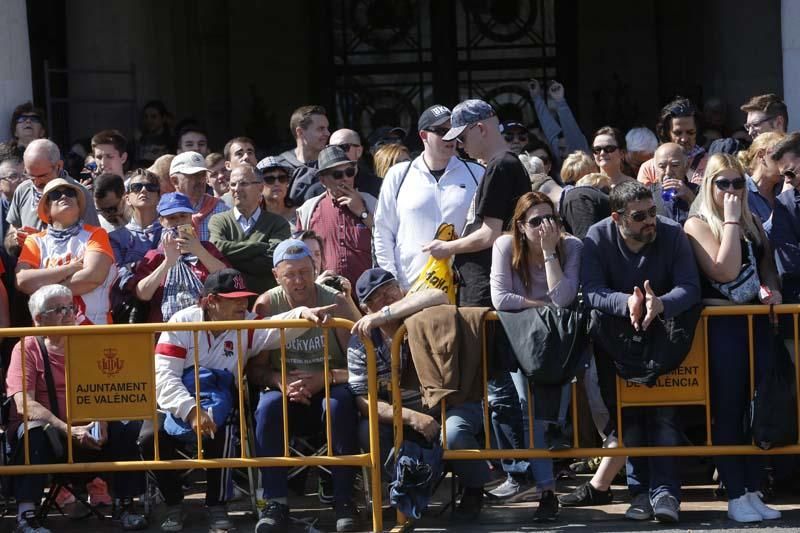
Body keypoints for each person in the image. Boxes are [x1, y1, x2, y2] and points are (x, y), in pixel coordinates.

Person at [140, 268, 333, 532]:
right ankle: (173, 504)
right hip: (176, 401)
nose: (243, 303)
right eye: (234, 298)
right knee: (149, 437)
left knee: (226, 425)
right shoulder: (180, 323)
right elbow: (164, 378)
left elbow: (276, 327)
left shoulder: (246, 324)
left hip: (221, 400)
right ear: (211, 301)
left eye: (245, 297)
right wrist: (192, 410)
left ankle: (217, 505)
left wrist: (303, 315)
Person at [581, 180, 701, 524]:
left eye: (653, 212)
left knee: (663, 415)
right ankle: (639, 493)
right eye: (639, 216)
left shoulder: (671, 233)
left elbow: (690, 287)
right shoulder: (597, 236)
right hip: (615, 339)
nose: (650, 221)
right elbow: (590, 290)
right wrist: (626, 302)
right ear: (618, 217)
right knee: (627, 418)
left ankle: (666, 492)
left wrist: (660, 302)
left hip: (664, 336)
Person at [683, 153, 782, 523]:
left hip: (755, 323)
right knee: (727, 409)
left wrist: (772, 290)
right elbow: (723, 271)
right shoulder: (697, 223)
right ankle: (735, 493)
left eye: (738, 183)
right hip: (720, 326)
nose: (731, 190)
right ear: (708, 186)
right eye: (722, 183)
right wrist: (728, 219)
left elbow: (768, 265)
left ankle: (754, 489)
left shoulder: (751, 220)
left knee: (755, 409)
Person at [347, 268, 491, 520]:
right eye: (376, 298)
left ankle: (474, 488)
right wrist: (413, 418)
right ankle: (402, 489)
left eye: (389, 289)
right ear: (365, 308)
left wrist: (386, 313)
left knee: (455, 433)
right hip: (404, 413)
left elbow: (438, 295)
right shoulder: (362, 341)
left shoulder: (416, 309)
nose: (386, 298)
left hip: (451, 401)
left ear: (401, 288)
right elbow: (364, 399)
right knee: (365, 429)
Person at [6, 284, 148, 533]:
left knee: (127, 426)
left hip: (90, 428)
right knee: (32, 433)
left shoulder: (89, 342)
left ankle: (124, 506)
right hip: (51, 434)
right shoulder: (27, 347)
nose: (70, 313)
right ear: (39, 319)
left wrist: (102, 421)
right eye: (60, 309)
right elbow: (24, 404)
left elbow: (109, 391)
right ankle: (26, 515)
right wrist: (68, 430)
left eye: (71, 307)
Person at [250, 239, 361, 533]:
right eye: (290, 274)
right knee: (267, 407)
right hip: (285, 388)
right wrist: (280, 381)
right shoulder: (266, 303)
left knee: (338, 405)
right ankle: (275, 502)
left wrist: (326, 378)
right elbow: (256, 370)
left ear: (316, 268)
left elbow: (362, 367)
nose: (299, 281)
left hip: (330, 383)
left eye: (304, 272)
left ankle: (344, 499)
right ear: (276, 276)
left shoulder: (336, 300)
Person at [489, 192, 583, 521]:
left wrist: (548, 254)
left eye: (551, 219)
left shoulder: (571, 247)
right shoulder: (504, 246)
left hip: (561, 342)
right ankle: (546, 490)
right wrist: (539, 307)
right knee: (530, 412)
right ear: (519, 226)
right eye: (535, 221)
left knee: (549, 418)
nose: (545, 227)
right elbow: (500, 298)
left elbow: (564, 297)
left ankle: (553, 475)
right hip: (521, 339)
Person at [374, 104, 483, 289]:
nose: (450, 137)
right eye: (442, 131)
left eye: (454, 131)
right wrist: (391, 281)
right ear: (423, 135)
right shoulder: (398, 174)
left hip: (464, 286)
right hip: (410, 286)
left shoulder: (477, 172)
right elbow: (382, 232)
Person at [16, 177, 116, 325]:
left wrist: (42, 291)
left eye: (70, 193)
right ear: (47, 209)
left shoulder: (96, 234)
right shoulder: (35, 240)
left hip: (93, 328)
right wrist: (70, 268)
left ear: (78, 204)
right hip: (49, 333)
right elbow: (23, 281)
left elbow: (92, 276)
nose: (64, 196)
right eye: (55, 195)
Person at [133, 192, 227, 323]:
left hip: (205, 329)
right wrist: (167, 262)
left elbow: (227, 280)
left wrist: (199, 251)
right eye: (171, 218)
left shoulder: (208, 249)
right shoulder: (154, 256)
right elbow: (142, 294)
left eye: (183, 216)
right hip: (166, 331)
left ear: (191, 218)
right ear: (161, 221)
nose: (178, 222)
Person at [295, 145, 377, 289]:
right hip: (327, 294)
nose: (345, 179)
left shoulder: (371, 203)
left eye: (349, 172)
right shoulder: (309, 210)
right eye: (337, 175)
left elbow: (388, 240)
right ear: (323, 180)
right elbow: (299, 255)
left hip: (370, 293)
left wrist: (362, 212)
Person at [6, 139, 101, 256]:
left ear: (59, 166)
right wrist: (15, 239)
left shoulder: (78, 194)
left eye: (42, 176)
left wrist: (40, 240)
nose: (36, 182)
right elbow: (10, 238)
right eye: (30, 176)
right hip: (31, 270)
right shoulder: (23, 190)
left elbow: (95, 245)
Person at [208, 164, 290, 295]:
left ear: (260, 188)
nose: (236, 189)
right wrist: (259, 247)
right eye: (233, 184)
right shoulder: (218, 220)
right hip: (229, 302)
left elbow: (273, 260)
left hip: (265, 302)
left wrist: (231, 262)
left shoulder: (278, 223)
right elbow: (217, 250)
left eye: (243, 184)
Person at [638, 97, 708, 185]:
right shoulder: (648, 168)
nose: (684, 139)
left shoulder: (711, 165)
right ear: (666, 133)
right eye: (678, 133)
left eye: (690, 132)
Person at [528, 79, 589, 174]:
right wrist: (536, 98)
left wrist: (560, 102)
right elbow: (550, 130)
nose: (562, 154)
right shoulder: (556, 162)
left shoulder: (580, 150)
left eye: (564, 148)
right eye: (560, 149)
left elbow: (571, 130)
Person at [169, 151, 229, 241]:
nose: (200, 180)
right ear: (175, 181)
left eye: (202, 175)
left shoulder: (222, 210)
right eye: (193, 175)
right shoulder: (163, 212)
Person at [770, 132, 800, 302]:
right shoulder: (784, 205)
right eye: (784, 176)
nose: (788, 181)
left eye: (791, 172)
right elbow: (789, 264)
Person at [737, 131, 787, 232]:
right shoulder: (740, 191)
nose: (786, 164)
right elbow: (754, 237)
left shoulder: (784, 187)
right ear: (761, 155)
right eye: (780, 157)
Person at [650, 143, 698, 225]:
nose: (668, 172)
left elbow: (712, 220)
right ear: (654, 168)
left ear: (686, 166)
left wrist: (690, 198)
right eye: (662, 166)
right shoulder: (647, 194)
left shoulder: (700, 192)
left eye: (675, 165)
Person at [330, 128, 381, 197]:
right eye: (331, 148)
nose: (336, 153)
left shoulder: (378, 186)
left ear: (359, 151)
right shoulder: (317, 190)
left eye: (343, 147)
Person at [280, 105, 330, 170]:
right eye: (321, 128)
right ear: (300, 132)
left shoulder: (334, 164)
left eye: (327, 128)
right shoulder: (281, 168)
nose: (328, 133)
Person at [256, 156, 297, 224]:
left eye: (282, 178)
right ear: (259, 186)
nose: (277, 183)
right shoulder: (253, 218)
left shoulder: (300, 213)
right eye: (270, 179)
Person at [133, 100, 172, 166]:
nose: (149, 120)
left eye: (153, 117)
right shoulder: (138, 140)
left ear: (163, 118)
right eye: (146, 117)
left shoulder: (171, 141)